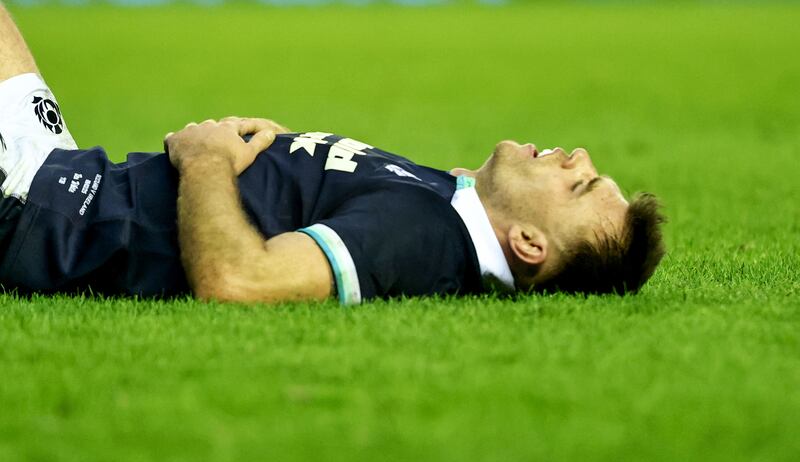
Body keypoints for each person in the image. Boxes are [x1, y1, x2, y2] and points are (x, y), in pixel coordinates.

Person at [0, 4, 665, 304]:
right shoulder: (448, 204)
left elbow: (239, 283)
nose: (580, 156)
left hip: (42, 211)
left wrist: (207, 159)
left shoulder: (422, 237)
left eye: (580, 185)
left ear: (527, 243)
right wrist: (285, 153)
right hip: (59, 174)